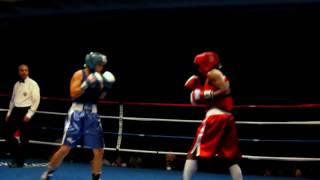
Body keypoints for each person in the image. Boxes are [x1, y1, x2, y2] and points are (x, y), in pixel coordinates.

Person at [41, 52, 115, 180]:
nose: (101, 68)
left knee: (99, 150)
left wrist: (107, 88)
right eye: (99, 65)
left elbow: (100, 97)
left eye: (102, 65)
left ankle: (96, 178)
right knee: (65, 148)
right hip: (76, 113)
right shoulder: (79, 74)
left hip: (92, 113)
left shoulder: (100, 77)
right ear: (92, 64)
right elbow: (73, 94)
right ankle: (48, 172)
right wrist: (86, 84)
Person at [182, 51, 242, 180]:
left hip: (215, 118)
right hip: (227, 118)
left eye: (200, 65)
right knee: (230, 158)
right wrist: (199, 92)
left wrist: (202, 95)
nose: (198, 69)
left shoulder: (212, 73)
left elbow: (225, 90)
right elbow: (218, 93)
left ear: (206, 63)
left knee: (193, 152)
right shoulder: (215, 75)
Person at [4, 64, 40, 168]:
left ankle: (19, 161)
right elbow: (12, 100)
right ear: (18, 72)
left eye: (26, 70)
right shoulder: (16, 84)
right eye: (21, 70)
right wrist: (9, 113)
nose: (24, 72)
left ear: (28, 72)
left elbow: (36, 100)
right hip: (15, 111)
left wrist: (29, 114)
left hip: (26, 111)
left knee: (24, 138)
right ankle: (17, 155)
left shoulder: (33, 84)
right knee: (6, 133)